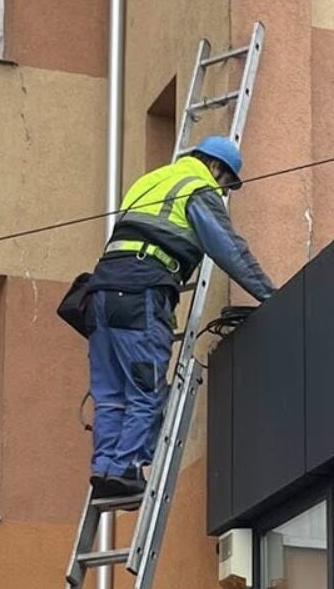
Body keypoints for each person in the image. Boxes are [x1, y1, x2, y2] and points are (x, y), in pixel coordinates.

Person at [84, 135, 275, 506]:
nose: (224, 193)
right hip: (141, 292)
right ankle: (125, 469)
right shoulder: (198, 187)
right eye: (226, 184)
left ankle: (105, 469)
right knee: (146, 387)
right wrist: (270, 294)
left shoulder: (151, 180)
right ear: (215, 166)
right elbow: (229, 250)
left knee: (110, 393)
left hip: (100, 295)